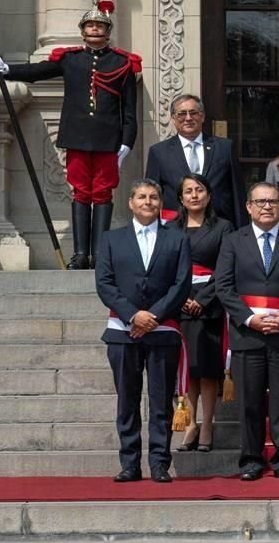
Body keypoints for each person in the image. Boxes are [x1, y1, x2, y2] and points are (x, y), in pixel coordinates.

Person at [0, 0, 141, 269]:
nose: (95, 29)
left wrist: (127, 143)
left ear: (108, 31)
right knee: (81, 193)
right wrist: (8, 70)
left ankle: (101, 255)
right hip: (77, 137)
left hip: (109, 140)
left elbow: (129, 110)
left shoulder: (122, 64)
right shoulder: (70, 59)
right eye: (90, 25)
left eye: (100, 25)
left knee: (103, 194)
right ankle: (81, 255)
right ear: (82, 31)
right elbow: (38, 71)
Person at [215, 182, 279, 480]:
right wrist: (249, 319)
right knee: (250, 401)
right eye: (260, 202)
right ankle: (251, 460)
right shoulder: (233, 241)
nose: (267, 207)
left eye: (272, 201)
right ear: (248, 206)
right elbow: (224, 286)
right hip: (248, 334)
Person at [94, 178, 191, 483]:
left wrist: (154, 316)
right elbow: (104, 284)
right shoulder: (111, 239)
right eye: (141, 197)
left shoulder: (177, 238)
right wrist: (133, 315)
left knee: (160, 401)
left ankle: (160, 463)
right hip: (123, 332)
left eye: (153, 197)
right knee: (128, 400)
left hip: (163, 331)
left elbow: (181, 283)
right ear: (131, 202)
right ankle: (130, 464)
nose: (147, 202)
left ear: (161, 203)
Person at [172, 174, 234, 453]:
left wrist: (204, 299)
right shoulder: (170, 228)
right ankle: (190, 425)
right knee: (187, 369)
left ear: (209, 196)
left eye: (199, 190)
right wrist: (181, 297)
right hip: (178, 303)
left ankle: (207, 424)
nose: (194, 195)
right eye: (188, 191)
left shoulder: (223, 227)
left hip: (210, 304)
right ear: (181, 198)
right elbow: (165, 267)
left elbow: (225, 269)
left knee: (207, 370)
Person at [145, 94, 247, 228]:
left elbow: (237, 194)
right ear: (173, 118)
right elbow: (151, 195)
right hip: (175, 228)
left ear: (202, 116)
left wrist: (242, 232)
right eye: (182, 114)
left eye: (193, 113)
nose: (188, 118)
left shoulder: (224, 148)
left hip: (218, 227)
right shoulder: (159, 152)